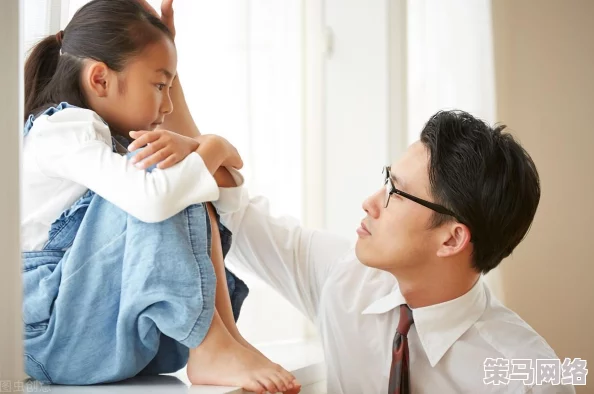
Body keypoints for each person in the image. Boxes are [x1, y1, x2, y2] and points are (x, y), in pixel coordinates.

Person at [21, 0, 299, 392]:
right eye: (159, 85)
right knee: (165, 173)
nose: (166, 104)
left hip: (91, 328)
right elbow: (163, 194)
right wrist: (214, 146)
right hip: (47, 332)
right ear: (100, 80)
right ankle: (211, 346)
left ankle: (226, 339)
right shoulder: (62, 129)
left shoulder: (109, 142)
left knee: (174, 170)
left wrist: (202, 149)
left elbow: (223, 196)